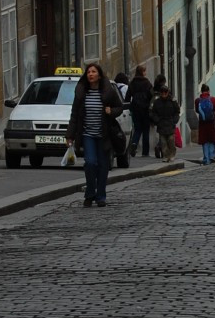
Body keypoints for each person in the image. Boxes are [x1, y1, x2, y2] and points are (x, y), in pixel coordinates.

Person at [66, 62, 122, 208]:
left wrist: (112, 111)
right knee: (90, 163)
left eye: (93, 72)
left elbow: (119, 107)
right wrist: (70, 136)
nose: (90, 74)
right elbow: (74, 115)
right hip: (87, 134)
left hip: (104, 134)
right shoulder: (81, 92)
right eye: (88, 72)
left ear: (99, 75)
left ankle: (101, 196)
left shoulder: (108, 91)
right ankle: (90, 193)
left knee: (103, 165)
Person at [194, 82, 215, 164]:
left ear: (201, 91)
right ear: (208, 91)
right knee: (212, 139)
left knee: (204, 141)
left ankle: (206, 158)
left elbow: (197, 110)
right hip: (212, 123)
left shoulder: (197, 101)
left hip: (202, 124)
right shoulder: (213, 100)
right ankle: (212, 156)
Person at [127, 63, 154, 156]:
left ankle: (134, 143)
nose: (145, 73)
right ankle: (145, 152)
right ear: (142, 72)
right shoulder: (147, 83)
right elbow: (151, 95)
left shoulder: (132, 82)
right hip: (145, 108)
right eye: (144, 71)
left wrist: (128, 105)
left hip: (135, 107)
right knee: (145, 130)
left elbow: (128, 96)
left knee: (137, 128)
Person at [150, 84, 181, 163]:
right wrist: (157, 120)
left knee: (171, 140)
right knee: (163, 142)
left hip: (170, 123)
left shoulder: (172, 101)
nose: (164, 94)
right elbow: (153, 112)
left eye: (165, 92)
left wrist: (175, 120)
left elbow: (177, 111)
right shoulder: (157, 102)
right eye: (162, 92)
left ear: (168, 92)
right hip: (161, 124)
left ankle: (172, 154)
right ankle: (166, 156)